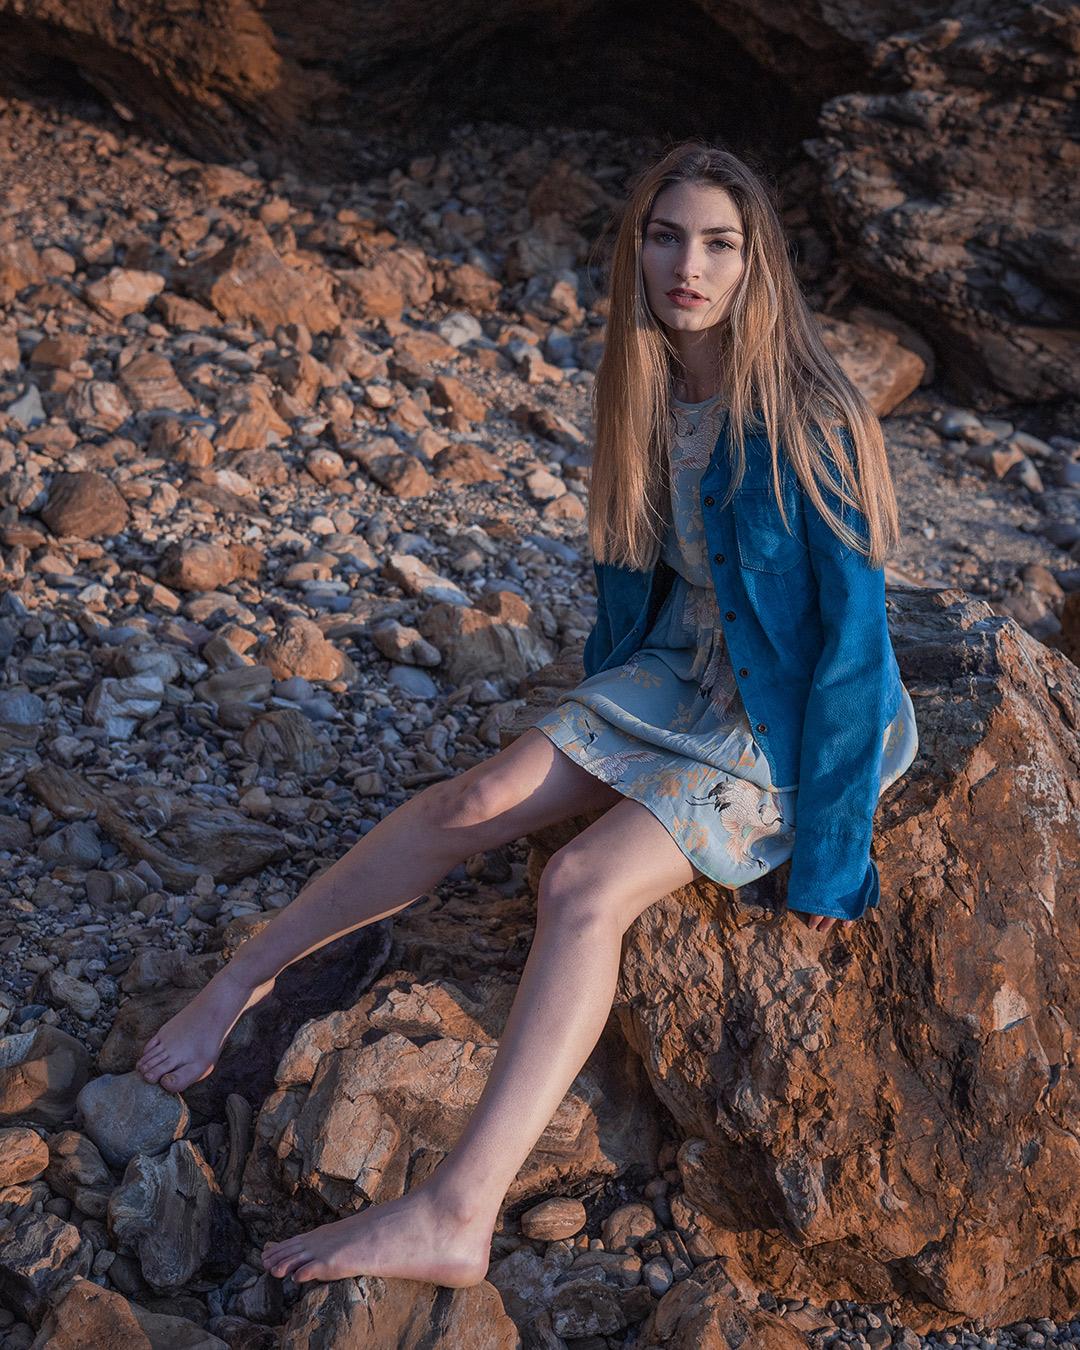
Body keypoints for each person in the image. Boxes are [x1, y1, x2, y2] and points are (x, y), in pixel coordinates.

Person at [136, 139, 919, 1289]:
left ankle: (459, 1211)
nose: (686, 267)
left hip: (782, 712)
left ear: (758, 266)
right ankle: (236, 984)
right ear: (635, 249)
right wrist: (583, 728)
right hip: (678, 667)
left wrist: (831, 861)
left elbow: (852, 650)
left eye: (717, 244)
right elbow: (642, 590)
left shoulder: (808, 416)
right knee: (476, 796)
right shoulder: (648, 387)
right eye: (664, 237)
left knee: (579, 887)